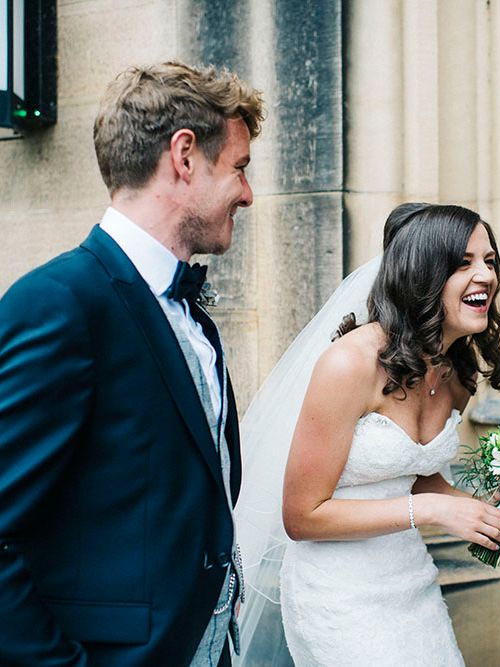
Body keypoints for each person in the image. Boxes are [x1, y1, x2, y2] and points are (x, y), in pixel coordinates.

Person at [0, 61, 264, 665]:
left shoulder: (191, 315)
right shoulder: (60, 303)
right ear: (184, 155)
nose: (248, 194)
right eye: (240, 168)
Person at [236, 203, 500, 666]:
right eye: (463, 263)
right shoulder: (350, 364)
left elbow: (416, 476)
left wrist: (487, 512)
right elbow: (301, 517)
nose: (485, 275)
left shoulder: (457, 374)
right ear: (422, 275)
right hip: (338, 595)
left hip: (410, 582)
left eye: (490, 261)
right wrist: (435, 509)